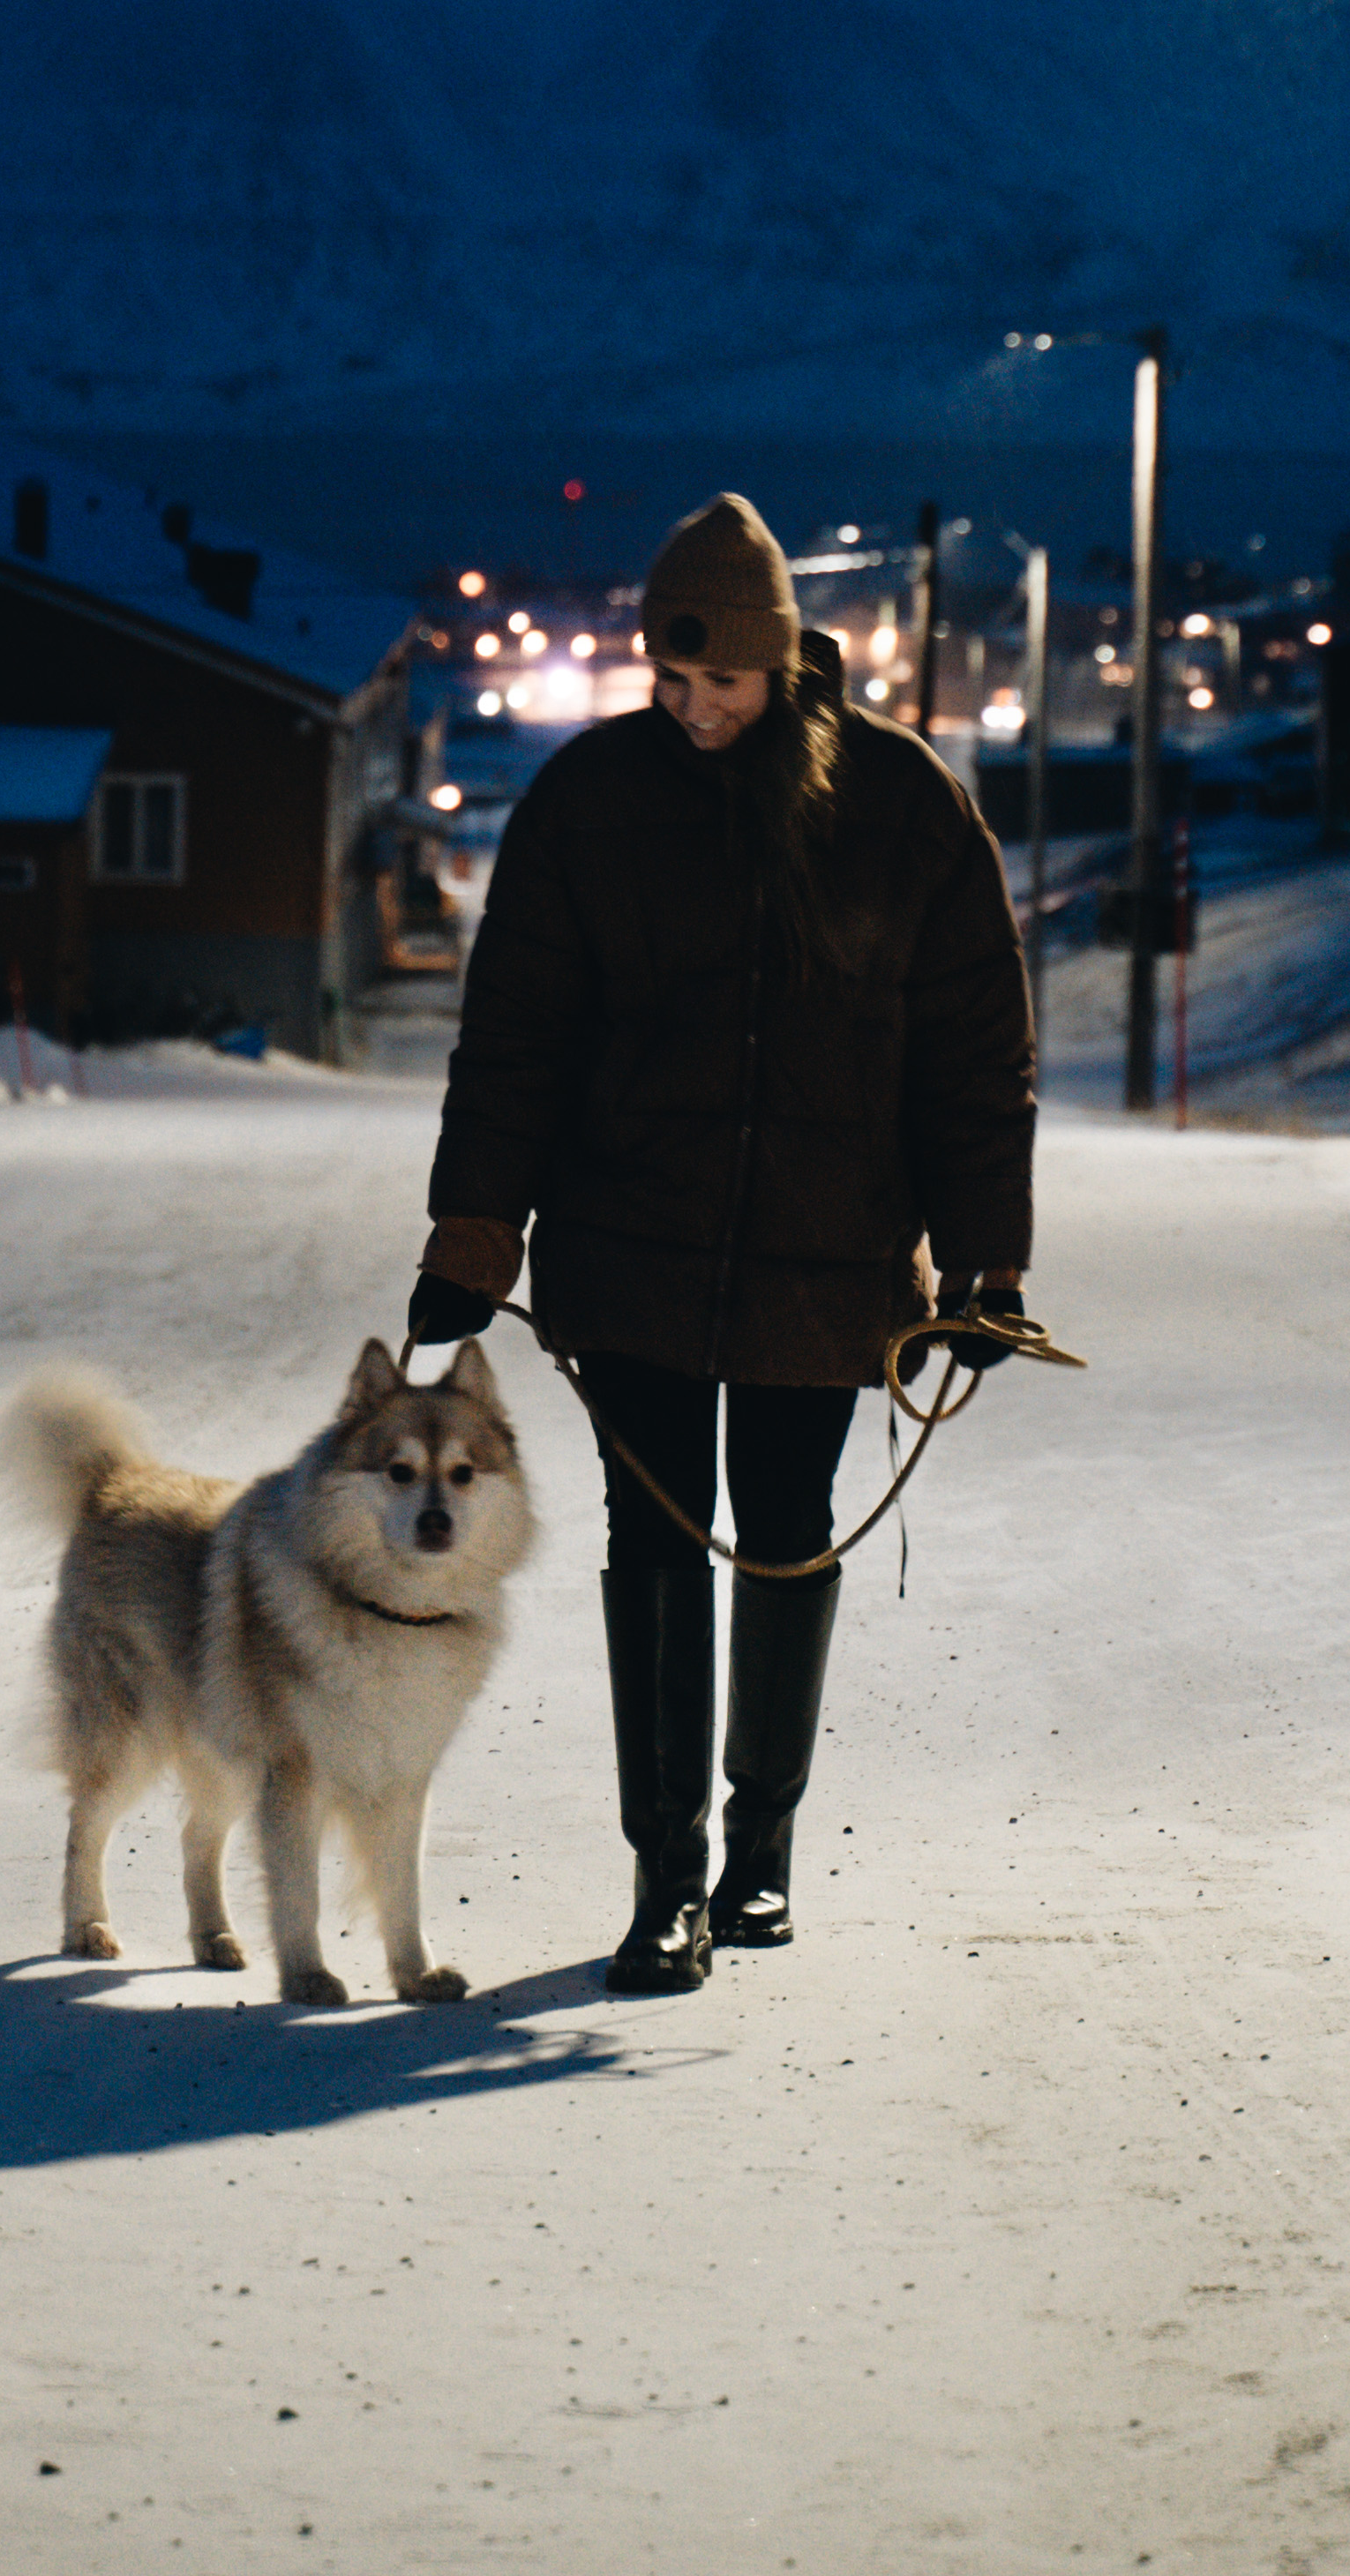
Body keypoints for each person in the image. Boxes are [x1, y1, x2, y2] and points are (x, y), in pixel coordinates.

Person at [408, 492, 1036, 1991]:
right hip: (631, 1249)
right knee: (653, 1545)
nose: (692, 711)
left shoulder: (900, 805)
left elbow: (971, 1055)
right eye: (671, 683)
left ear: (780, 661)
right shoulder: (587, 802)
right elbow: (516, 1041)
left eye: (722, 684)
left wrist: (986, 1267)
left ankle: (762, 1856)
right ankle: (664, 1882)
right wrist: (477, 1233)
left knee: (784, 1536)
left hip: (828, 1261)